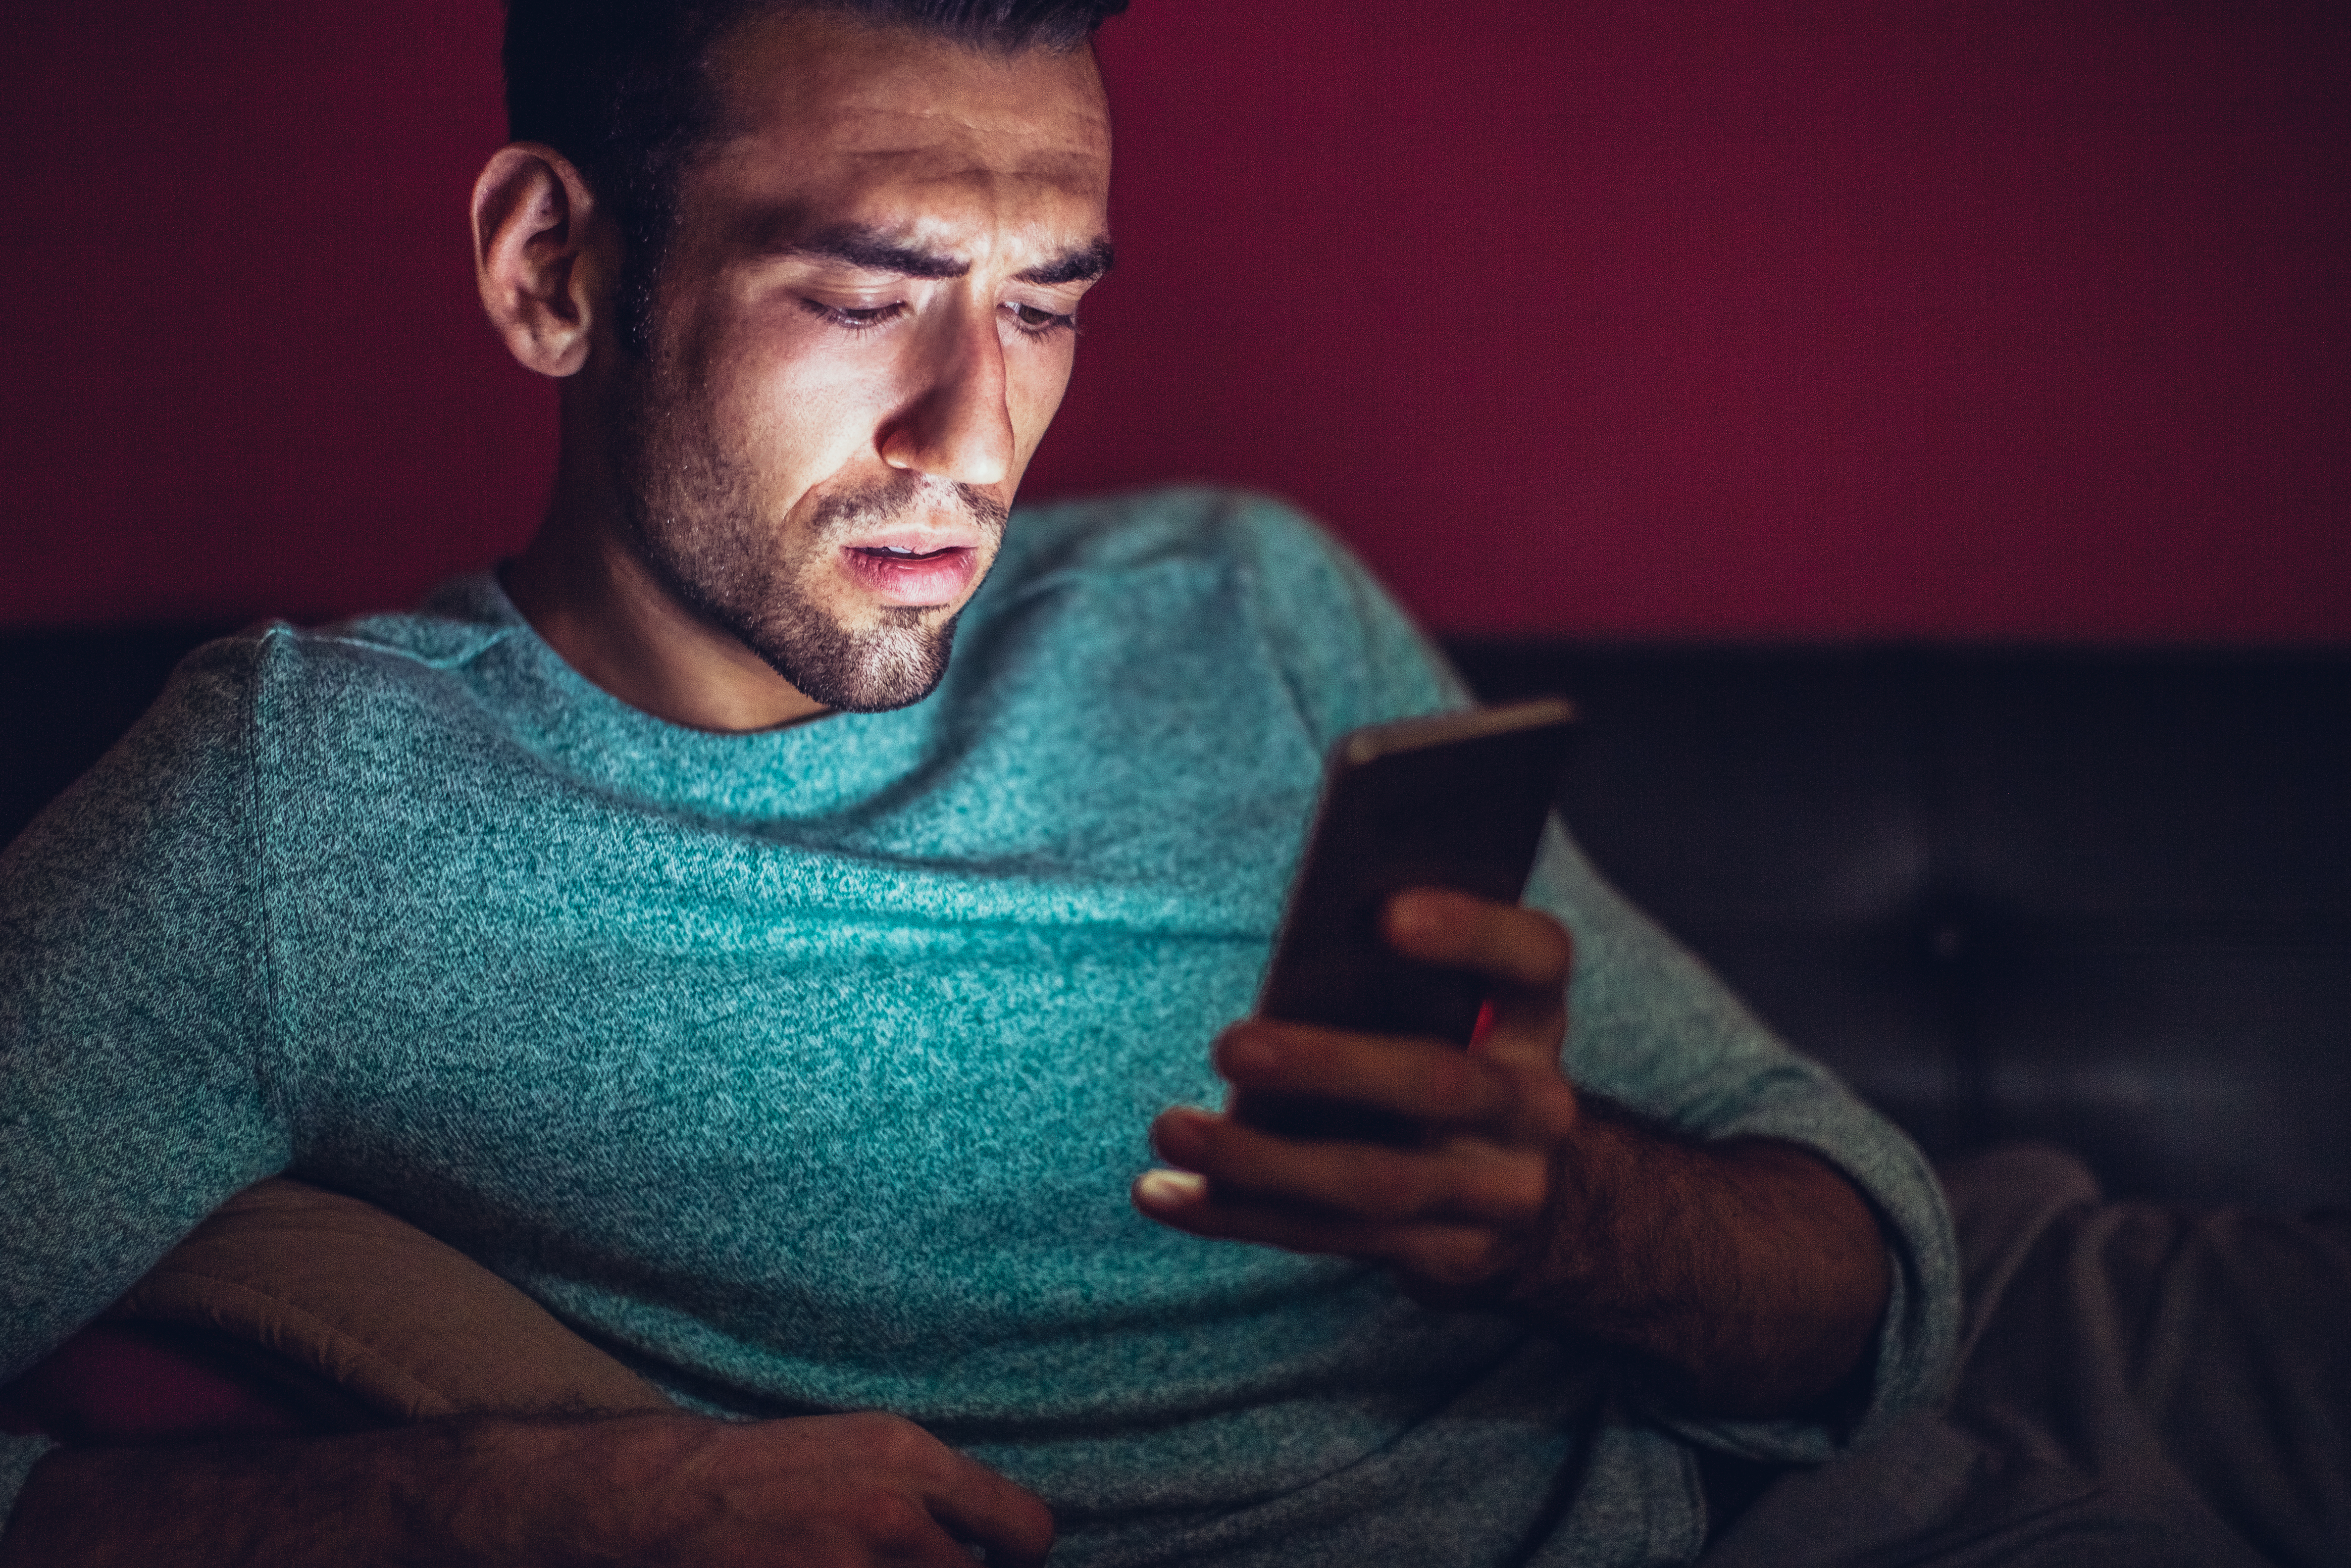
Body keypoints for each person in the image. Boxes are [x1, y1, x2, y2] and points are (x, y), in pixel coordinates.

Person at [0, 3, 1966, 1562]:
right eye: (864, 296)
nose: (977, 437)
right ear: (552, 269)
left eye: (1046, 304)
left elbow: (1872, 1274)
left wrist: (1567, 1216)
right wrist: (490, 1517)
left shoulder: (1244, 601)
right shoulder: (300, 813)